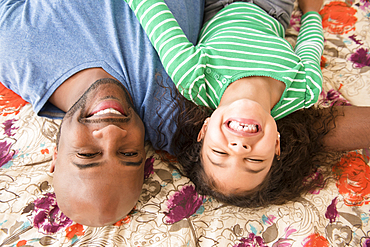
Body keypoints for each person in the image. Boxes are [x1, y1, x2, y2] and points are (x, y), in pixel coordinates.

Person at [124, 0, 370, 207]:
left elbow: (154, 14)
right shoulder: (304, 89)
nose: (239, 149)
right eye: (254, 161)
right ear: (276, 144)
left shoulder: (193, 78)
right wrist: (311, 11)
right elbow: (310, 43)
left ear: (205, 129)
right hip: (274, 8)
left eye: (220, 153)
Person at [0, 0, 204, 226]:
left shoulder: (14, 50)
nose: (111, 132)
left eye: (87, 154)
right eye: (129, 154)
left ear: (55, 157)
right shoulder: (172, 116)